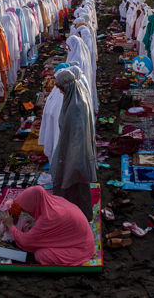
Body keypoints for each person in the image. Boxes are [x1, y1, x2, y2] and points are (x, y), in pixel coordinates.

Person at [1, 186, 95, 266]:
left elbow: (26, 241)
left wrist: (11, 226)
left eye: (25, 210)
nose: (27, 212)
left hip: (82, 248)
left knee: (40, 255)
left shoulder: (49, 218)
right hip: (81, 238)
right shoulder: (54, 201)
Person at [50, 69, 96, 220]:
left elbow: (76, 137)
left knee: (73, 183)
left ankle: (75, 218)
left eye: (61, 90)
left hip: (75, 154)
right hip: (70, 149)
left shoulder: (77, 106)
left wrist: (71, 161)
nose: (61, 93)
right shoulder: (74, 98)